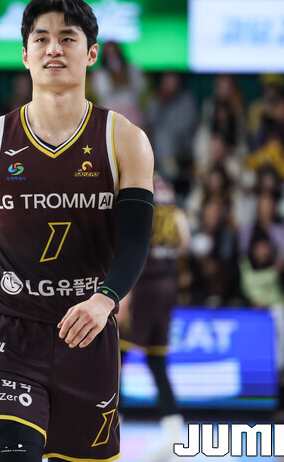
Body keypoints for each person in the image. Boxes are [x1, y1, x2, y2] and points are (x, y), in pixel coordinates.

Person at [0, 0, 155, 462]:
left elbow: (135, 241)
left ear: (91, 53)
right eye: (41, 39)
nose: (53, 48)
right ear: (25, 55)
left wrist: (105, 299)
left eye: (67, 38)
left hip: (86, 336)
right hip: (6, 335)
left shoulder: (125, 140)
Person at [118, 174, 190, 461]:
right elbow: (184, 238)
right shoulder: (167, 190)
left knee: (115, 359)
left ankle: (110, 429)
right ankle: (174, 435)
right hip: (167, 284)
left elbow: (133, 240)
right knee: (157, 361)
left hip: (143, 284)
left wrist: (124, 293)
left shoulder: (138, 183)